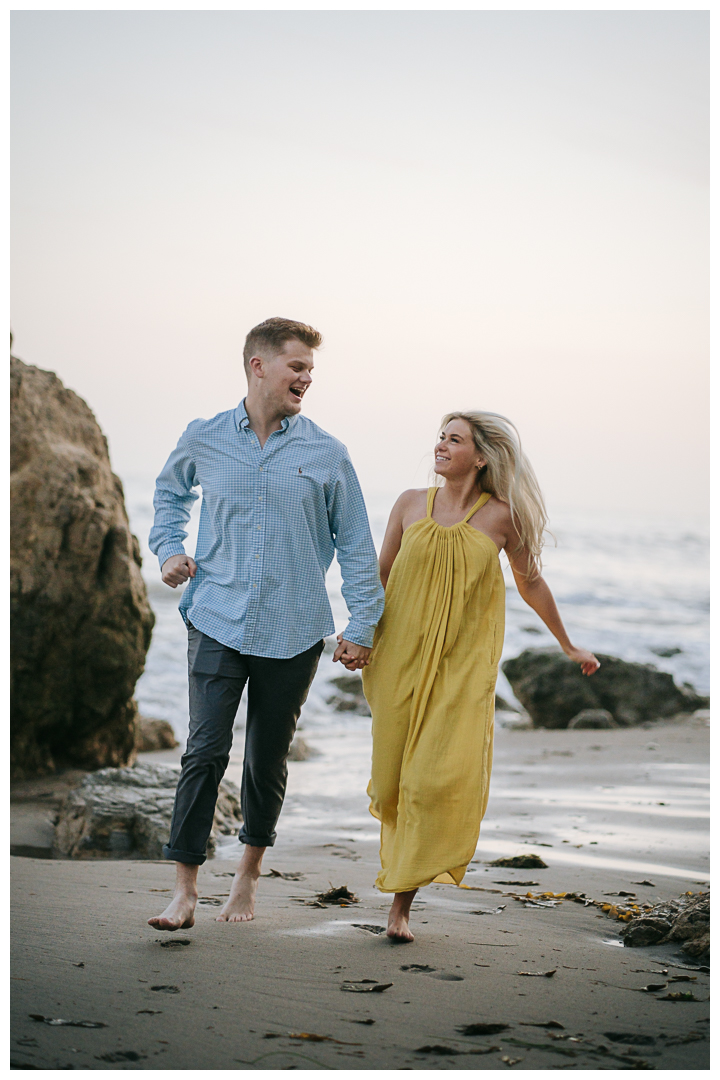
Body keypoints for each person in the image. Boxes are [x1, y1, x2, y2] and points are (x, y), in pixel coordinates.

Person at [147, 317, 383, 930]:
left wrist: (362, 625)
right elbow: (169, 494)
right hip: (216, 615)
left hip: (294, 627)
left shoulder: (327, 453)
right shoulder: (203, 437)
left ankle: (247, 876)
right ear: (259, 365)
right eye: (297, 366)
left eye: (310, 369)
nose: (307, 377)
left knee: (266, 757)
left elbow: (356, 546)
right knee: (203, 750)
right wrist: (169, 548)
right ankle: (185, 889)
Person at [362, 410, 599, 942]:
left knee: (430, 778)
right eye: (440, 437)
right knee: (395, 779)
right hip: (398, 657)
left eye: (454, 439)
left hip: (461, 666)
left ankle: (401, 904)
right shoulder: (407, 503)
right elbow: (380, 574)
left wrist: (566, 643)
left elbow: (531, 583)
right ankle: (401, 878)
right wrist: (357, 636)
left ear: (482, 456)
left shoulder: (501, 518)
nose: (441, 446)